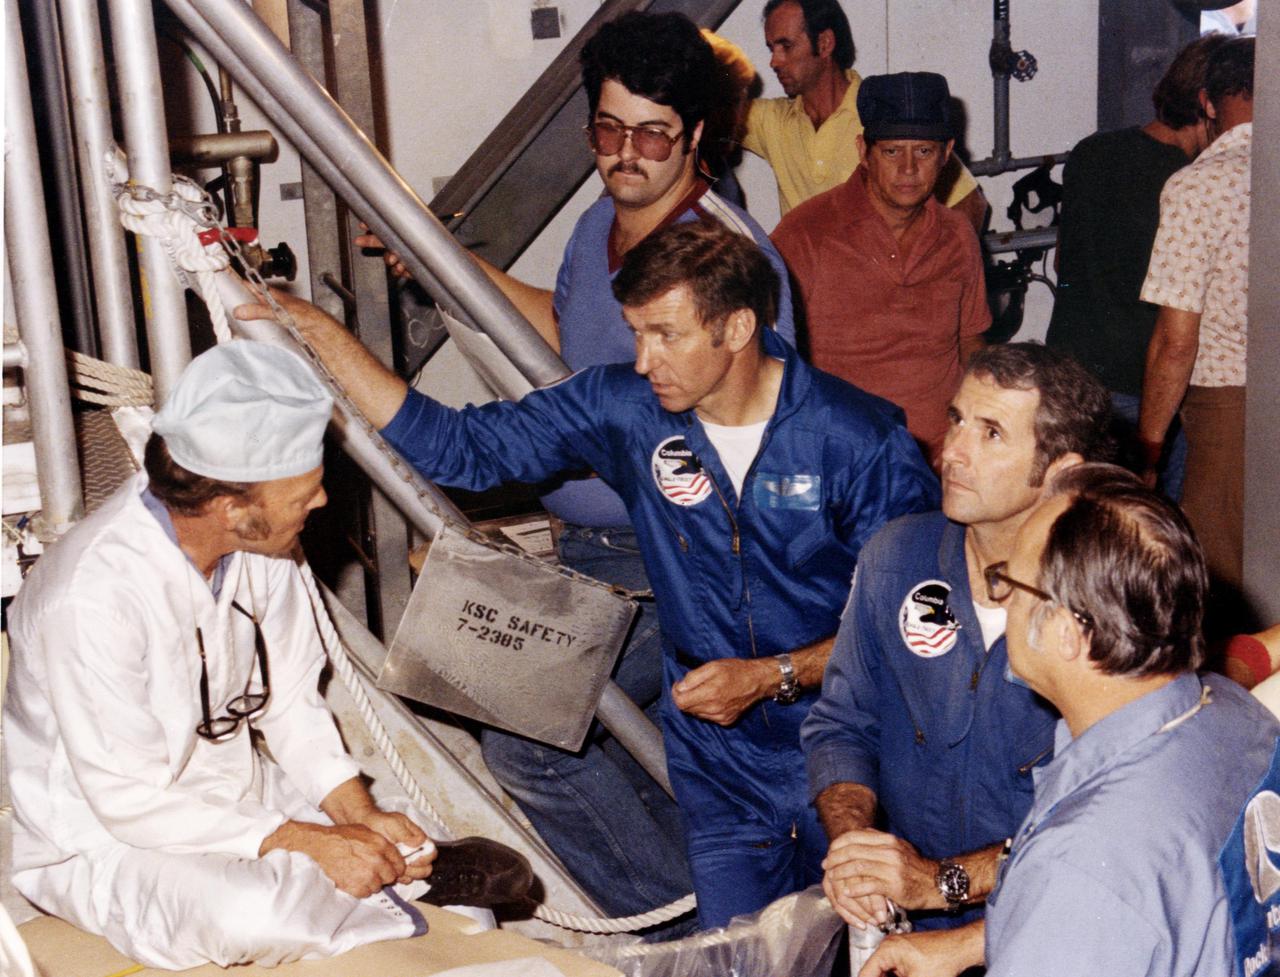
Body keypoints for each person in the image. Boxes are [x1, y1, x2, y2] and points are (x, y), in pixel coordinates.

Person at [243, 219, 940, 929]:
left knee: (877, 942)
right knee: (741, 955)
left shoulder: (858, 440)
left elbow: (912, 627)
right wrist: (313, 329)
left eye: (665, 334)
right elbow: (460, 449)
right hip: (717, 760)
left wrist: (773, 676)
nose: (643, 360)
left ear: (735, 328)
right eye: (637, 333)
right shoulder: (628, 408)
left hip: (840, 743)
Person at [360, 13, 798, 925]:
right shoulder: (596, 225)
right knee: (562, 723)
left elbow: (770, 430)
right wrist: (452, 268)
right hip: (591, 547)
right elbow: (567, 332)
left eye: (652, 136)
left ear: (700, 136)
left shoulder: (730, 258)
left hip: (679, 560)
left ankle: (683, 928)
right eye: (607, 131)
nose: (624, 154)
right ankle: (721, 902)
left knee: (529, 734)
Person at [3, 341, 530, 969]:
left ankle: (395, 879)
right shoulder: (90, 596)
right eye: (303, 491)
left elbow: (290, 705)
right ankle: (390, 892)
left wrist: (355, 814)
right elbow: (127, 800)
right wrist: (306, 841)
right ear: (232, 508)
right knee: (244, 914)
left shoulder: (267, 545)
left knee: (400, 839)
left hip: (237, 793)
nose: (322, 502)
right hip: (102, 839)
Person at [859, 463, 1280, 977]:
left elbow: (1094, 893)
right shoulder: (1234, 714)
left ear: (1067, 634)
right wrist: (968, 945)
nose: (1000, 597)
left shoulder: (1081, 867)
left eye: (1010, 580)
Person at [802, 343, 1113, 933]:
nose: (952, 453)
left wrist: (942, 882)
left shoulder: (1104, 601)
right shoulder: (895, 558)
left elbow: (1106, 816)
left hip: (1043, 914)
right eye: (956, 420)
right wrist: (857, 845)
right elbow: (842, 724)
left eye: (991, 433)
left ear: (1061, 471)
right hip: (906, 908)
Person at [773, 71, 990, 465]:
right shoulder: (805, 234)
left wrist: (972, 435)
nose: (908, 169)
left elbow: (971, 343)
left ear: (946, 154)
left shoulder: (958, 234)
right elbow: (769, 360)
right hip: (843, 462)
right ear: (863, 151)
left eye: (923, 151)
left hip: (942, 462)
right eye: (892, 152)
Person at [1046, 34, 1227, 499]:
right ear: (1211, 106)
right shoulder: (1192, 185)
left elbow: (1066, 258)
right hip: (1140, 396)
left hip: (1068, 379)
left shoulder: (1091, 152)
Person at [1139, 36, 1253, 625]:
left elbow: (1176, 341)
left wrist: (1150, 446)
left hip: (1230, 416)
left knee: (1227, 597)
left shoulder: (1199, 187)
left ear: (1208, 103)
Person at [743, 0, 986, 229]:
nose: (774, 61)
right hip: (807, 270)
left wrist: (927, 269)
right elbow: (713, 102)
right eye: (771, 48)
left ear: (825, 43)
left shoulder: (883, 111)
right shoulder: (771, 121)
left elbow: (970, 204)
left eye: (786, 46)